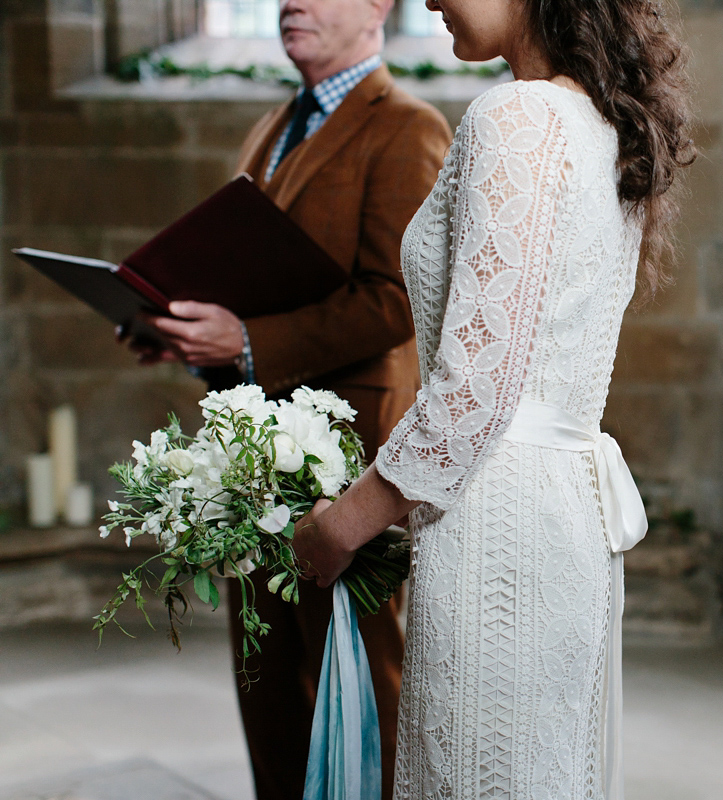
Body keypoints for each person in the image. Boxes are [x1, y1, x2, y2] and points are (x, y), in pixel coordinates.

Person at [292, 0, 695, 795]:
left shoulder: (515, 115)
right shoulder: (602, 122)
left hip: (499, 522)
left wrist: (342, 524)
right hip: (564, 514)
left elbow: (473, 392)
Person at [120, 0, 452, 796]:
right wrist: (182, 330)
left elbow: (396, 301)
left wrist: (243, 341)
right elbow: (254, 280)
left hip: (348, 452)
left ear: (378, 6)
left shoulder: (406, 126)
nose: (289, 2)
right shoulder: (273, 124)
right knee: (265, 677)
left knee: (361, 677)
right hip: (255, 454)